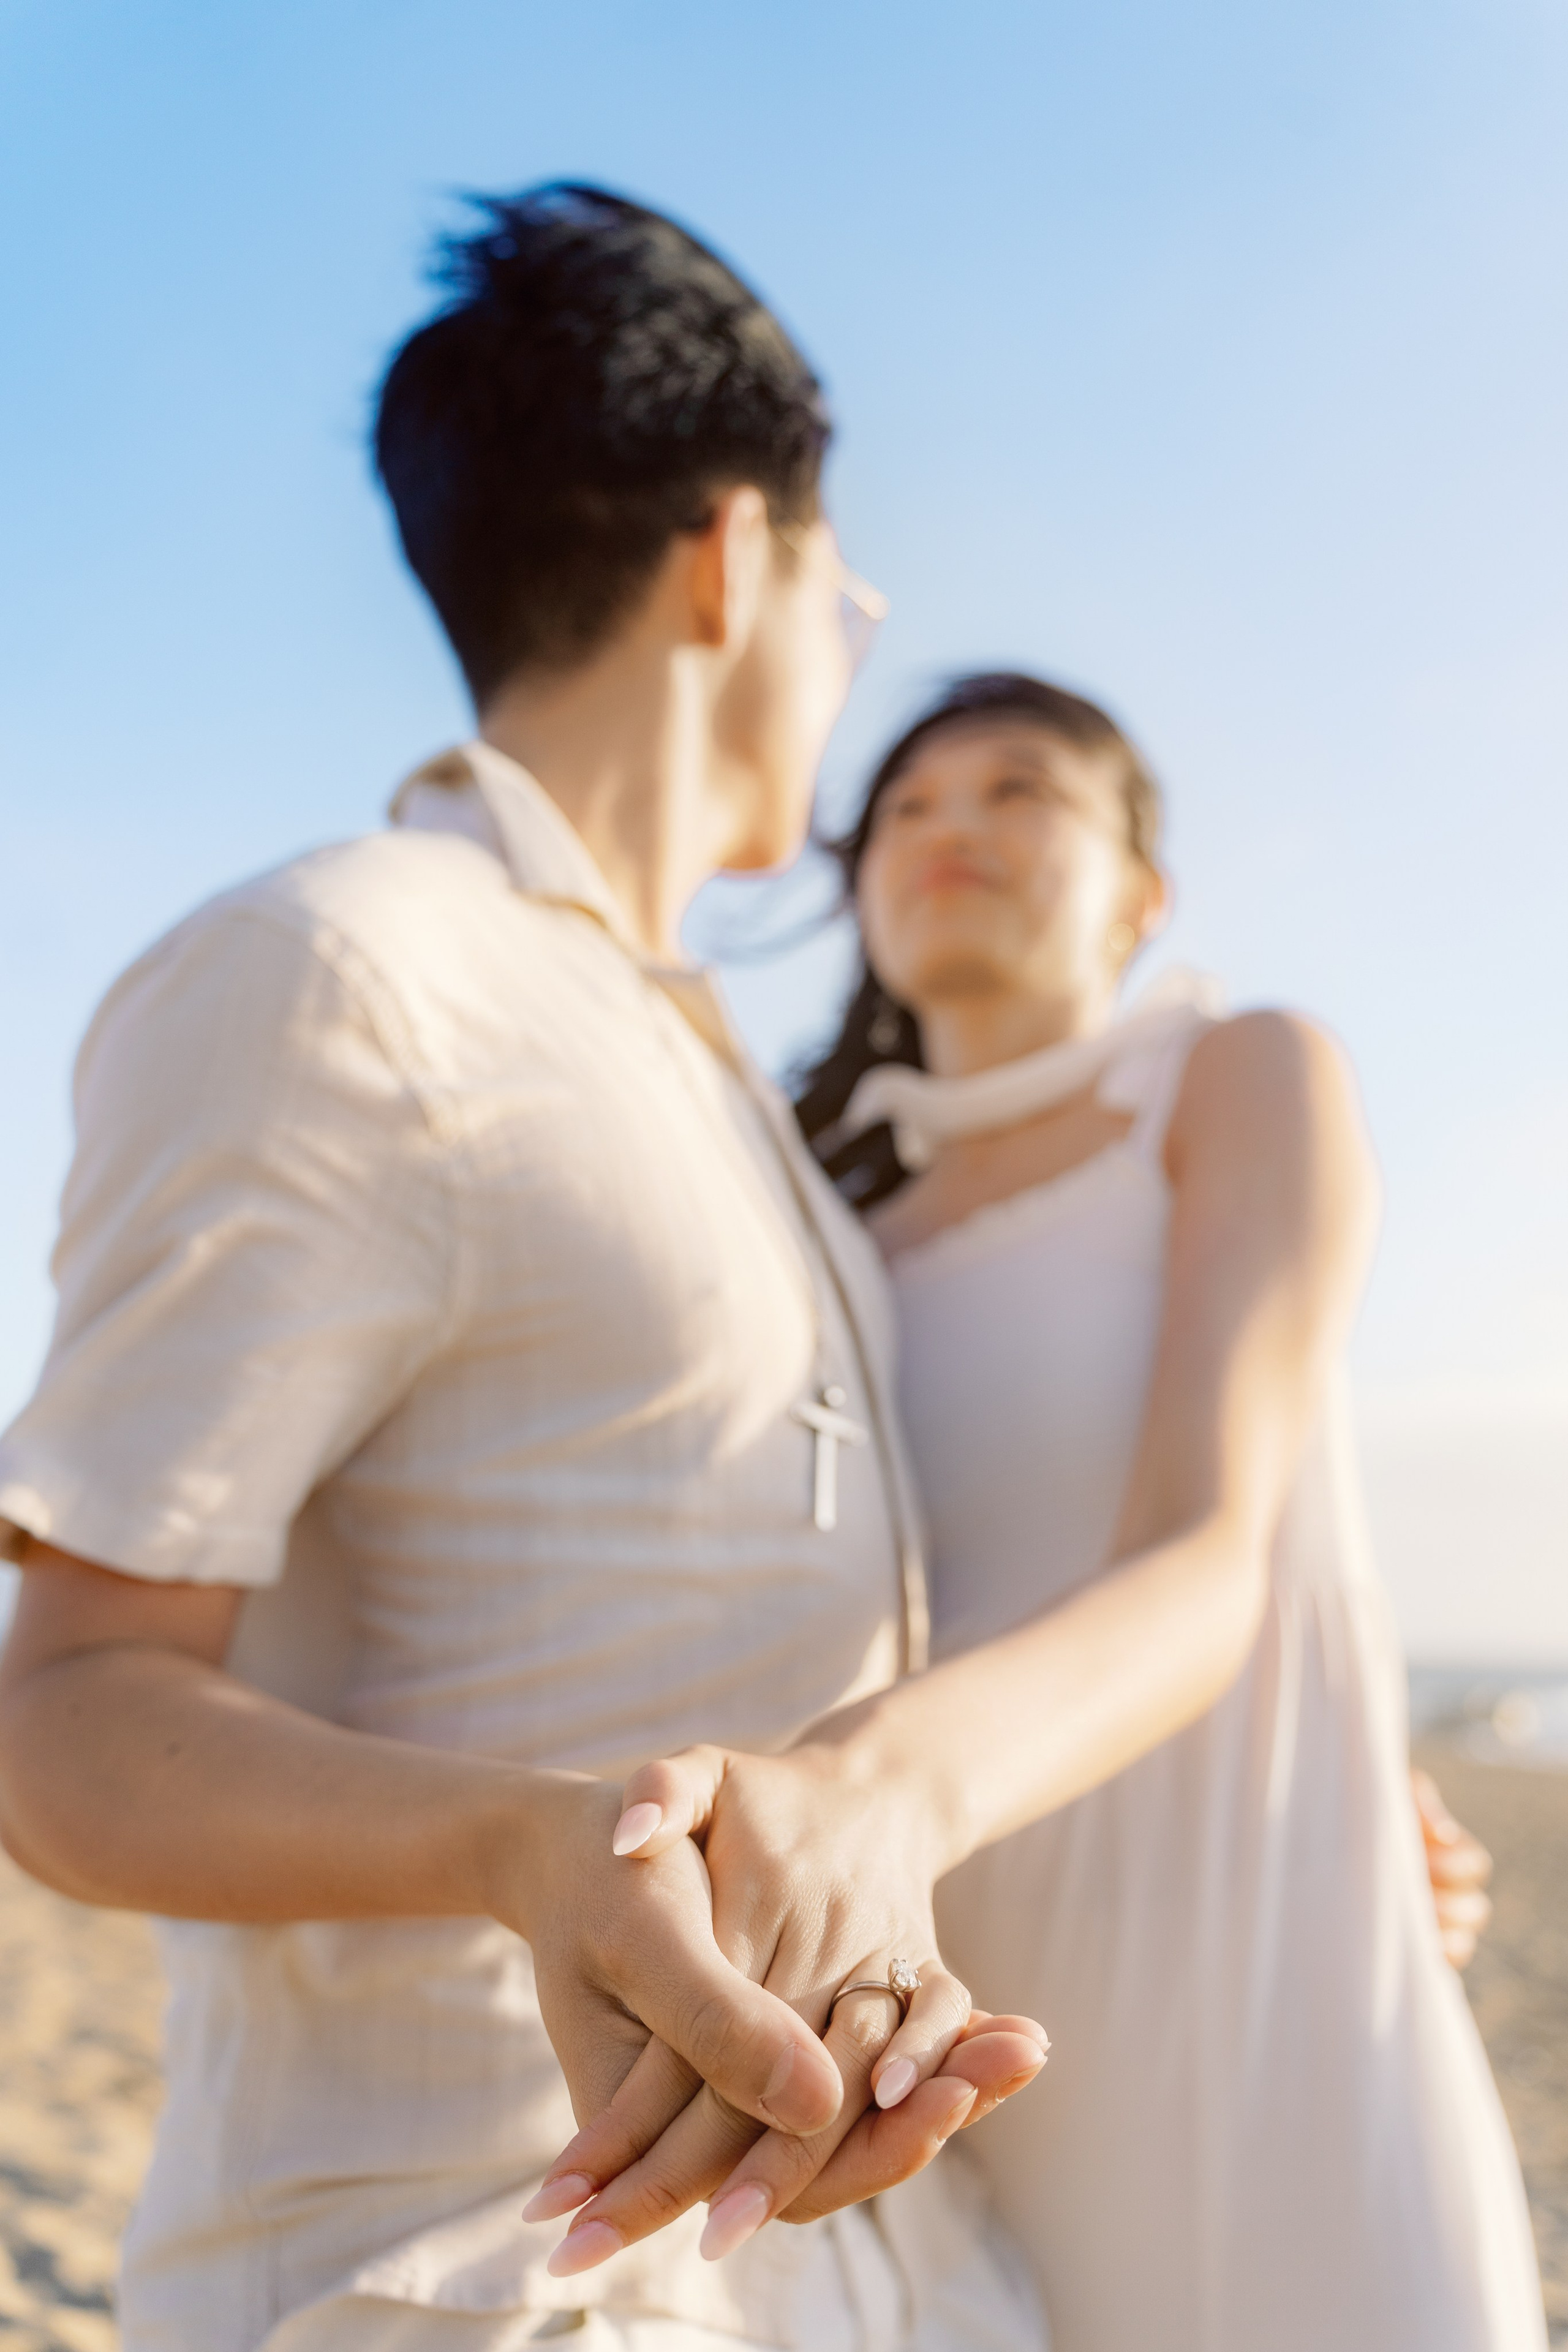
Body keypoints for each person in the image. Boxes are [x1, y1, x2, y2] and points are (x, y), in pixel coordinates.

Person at [0, 194, 1049, 2352]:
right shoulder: (342, 972)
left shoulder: (704, 1065)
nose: (850, 645)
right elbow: (63, 1717)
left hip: (846, 2275)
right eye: (847, 593)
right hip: (466, 2273)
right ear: (735, 560)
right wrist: (522, 1847)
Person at [548, 672, 1542, 2348]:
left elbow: (1215, 1548)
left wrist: (872, 1789)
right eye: (911, 809)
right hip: (924, 1969)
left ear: (1144, 894)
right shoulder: (804, 1200)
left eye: (1020, 793)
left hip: (1240, 1924)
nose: (951, 830)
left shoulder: (1233, 1076)